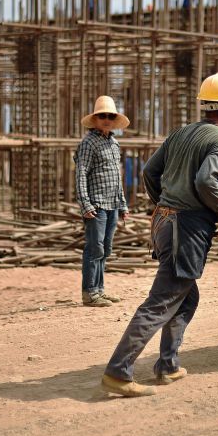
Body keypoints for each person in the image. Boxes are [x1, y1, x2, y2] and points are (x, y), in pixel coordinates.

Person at [101, 72, 218, 397]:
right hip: (185, 228)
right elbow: (207, 181)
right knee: (161, 300)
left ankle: (168, 365)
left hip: (164, 223)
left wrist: (166, 203)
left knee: (186, 296)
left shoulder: (181, 133)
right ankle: (118, 372)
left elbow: (151, 171)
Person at [74, 95, 130, 307]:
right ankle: (90, 293)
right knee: (94, 248)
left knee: (105, 248)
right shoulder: (88, 143)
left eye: (110, 116)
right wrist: (85, 204)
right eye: (102, 116)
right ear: (95, 119)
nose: (106, 119)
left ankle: (99, 290)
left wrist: (122, 204)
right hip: (96, 205)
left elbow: (117, 177)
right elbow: (80, 174)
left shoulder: (114, 143)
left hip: (112, 204)